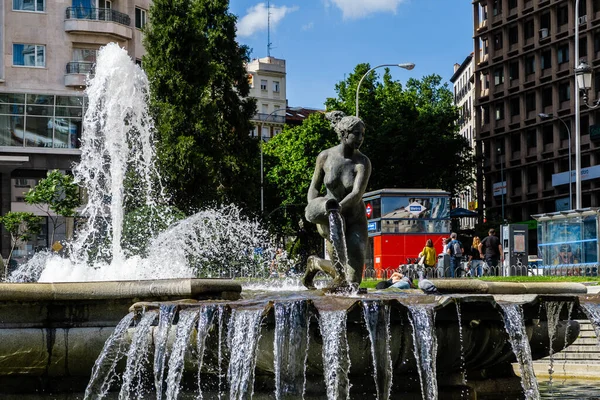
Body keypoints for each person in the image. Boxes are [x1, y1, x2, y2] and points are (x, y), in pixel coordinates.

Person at [302, 111, 372, 290]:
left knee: (353, 283)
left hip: (354, 216)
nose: (360, 138)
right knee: (341, 277)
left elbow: (357, 193)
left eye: (362, 134)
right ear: (344, 134)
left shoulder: (362, 162)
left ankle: (316, 263)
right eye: (356, 133)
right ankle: (318, 267)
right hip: (329, 216)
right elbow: (314, 188)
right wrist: (314, 207)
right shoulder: (325, 156)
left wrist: (339, 208)